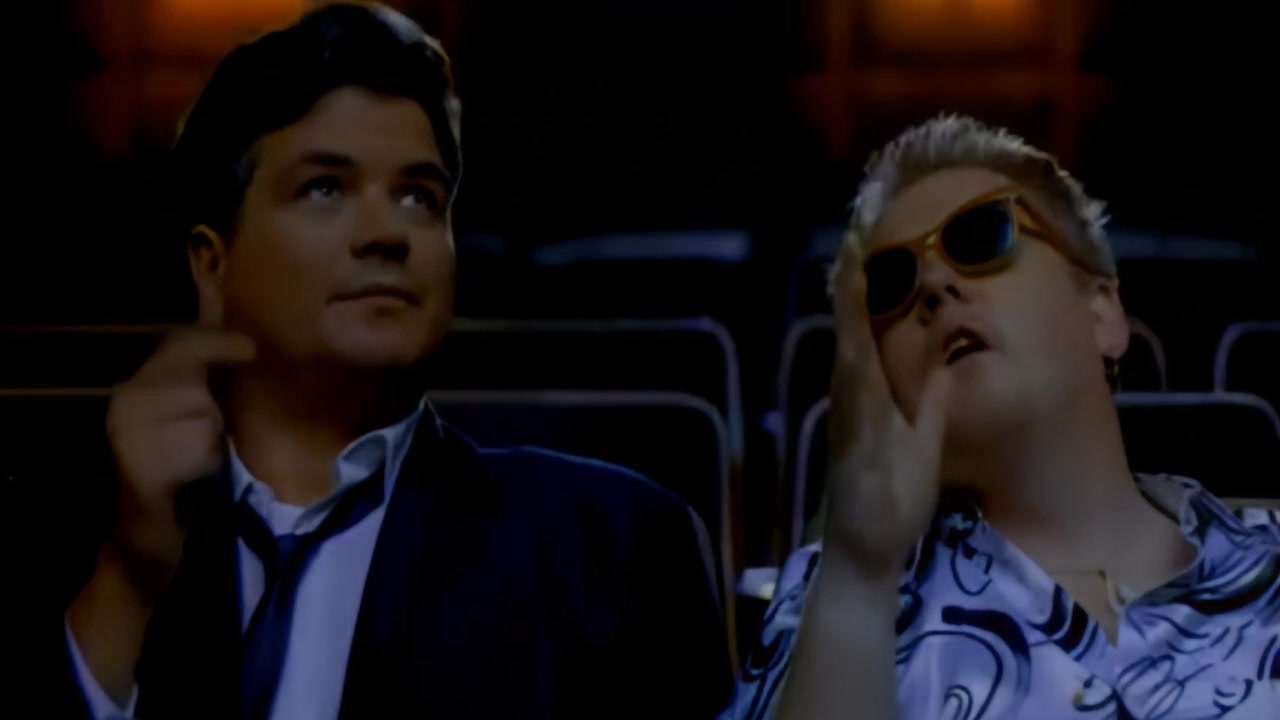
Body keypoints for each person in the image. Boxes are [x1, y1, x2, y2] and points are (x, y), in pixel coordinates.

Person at [9, 4, 732, 718]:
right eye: (325, 187)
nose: (388, 233)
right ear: (212, 264)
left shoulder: (610, 547)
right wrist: (128, 589)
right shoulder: (72, 538)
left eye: (419, 197)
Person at [724, 116, 1280, 719]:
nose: (934, 285)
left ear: (1101, 310)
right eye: (892, 284)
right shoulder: (830, 601)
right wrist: (858, 582)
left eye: (980, 235)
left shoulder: (1267, 562)